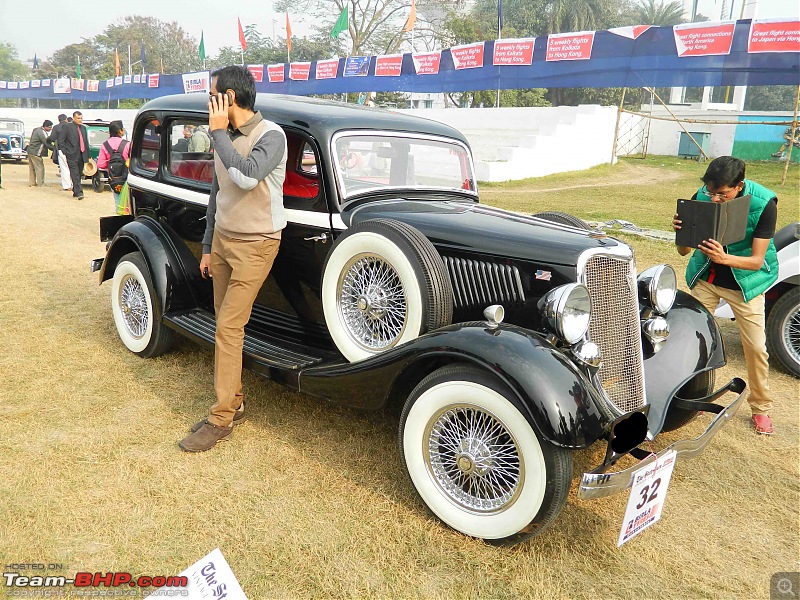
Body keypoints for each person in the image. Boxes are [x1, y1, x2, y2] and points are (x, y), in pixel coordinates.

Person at [179, 65, 288, 452]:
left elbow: (245, 176)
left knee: (228, 327)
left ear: (228, 98)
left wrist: (216, 133)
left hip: (257, 242)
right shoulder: (225, 137)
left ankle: (221, 418)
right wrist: (208, 247)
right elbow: (218, 191)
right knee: (224, 325)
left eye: (213, 94)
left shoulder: (271, 135)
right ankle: (235, 402)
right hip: (224, 241)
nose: (208, 101)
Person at [672, 156, 779, 435]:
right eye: (711, 192)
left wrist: (723, 258)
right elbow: (684, 252)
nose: (715, 199)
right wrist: (681, 233)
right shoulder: (702, 197)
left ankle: (761, 409)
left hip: (745, 283)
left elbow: (756, 261)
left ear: (739, 186)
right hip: (706, 279)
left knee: (755, 348)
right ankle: (677, 396)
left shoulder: (764, 203)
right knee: (685, 336)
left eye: (723, 194)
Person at [95, 120, 130, 212]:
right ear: (120, 131)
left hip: (114, 178)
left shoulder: (105, 145)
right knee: (129, 203)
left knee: (118, 202)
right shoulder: (127, 144)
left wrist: (110, 164)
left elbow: (100, 165)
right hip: (127, 178)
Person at [57, 111, 90, 199]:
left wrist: (87, 154)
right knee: (74, 173)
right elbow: (61, 140)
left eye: (81, 118)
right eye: (78, 118)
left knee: (79, 174)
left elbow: (85, 141)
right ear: (74, 118)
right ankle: (79, 193)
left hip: (81, 154)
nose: (80, 120)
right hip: (71, 154)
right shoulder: (67, 127)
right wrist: (65, 152)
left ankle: (75, 191)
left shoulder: (83, 128)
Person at [48, 114, 72, 191]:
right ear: (66, 119)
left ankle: (67, 185)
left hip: (61, 149)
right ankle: (73, 183)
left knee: (64, 168)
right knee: (72, 167)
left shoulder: (56, 127)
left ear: (59, 120)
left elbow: (52, 138)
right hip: (72, 150)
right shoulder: (71, 126)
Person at [27, 119, 54, 187]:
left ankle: (32, 182)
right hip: (36, 152)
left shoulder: (36, 129)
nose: (50, 129)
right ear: (46, 126)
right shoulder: (42, 132)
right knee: (40, 168)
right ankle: (40, 183)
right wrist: (54, 149)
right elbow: (46, 142)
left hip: (30, 151)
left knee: (32, 168)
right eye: (50, 127)